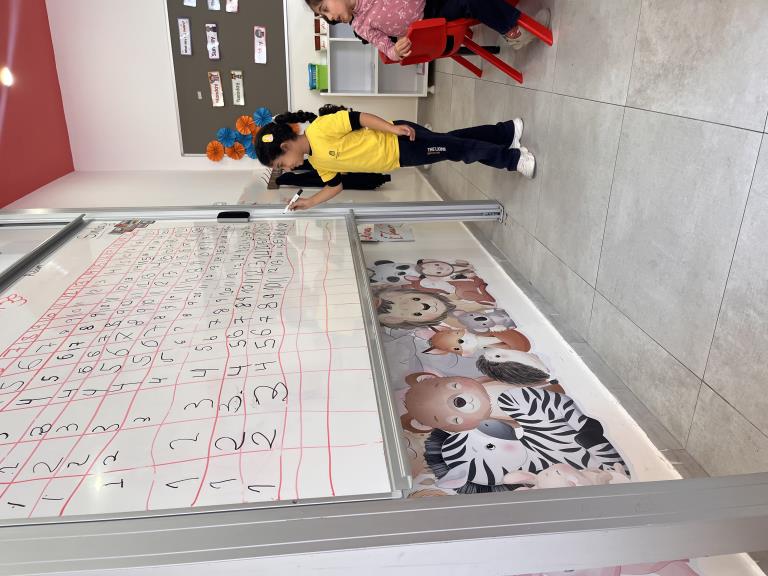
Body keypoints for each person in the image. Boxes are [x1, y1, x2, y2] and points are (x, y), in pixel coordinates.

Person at [254, 106, 535, 211]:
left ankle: (511, 159)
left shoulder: (320, 129)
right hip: (401, 158)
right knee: (451, 142)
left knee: (457, 150)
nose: (287, 168)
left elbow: (359, 118)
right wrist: (309, 202)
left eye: (281, 163)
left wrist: (392, 128)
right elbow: (335, 186)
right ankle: (505, 133)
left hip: (400, 142)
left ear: (286, 145)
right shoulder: (318, 162)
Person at [306, 0, 550, 61]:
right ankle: (514, 33)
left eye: (325, 8)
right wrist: (395, 51)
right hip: (431, 17)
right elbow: (386, 47)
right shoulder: (360, 25)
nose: (330, 17)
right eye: (324, 15)